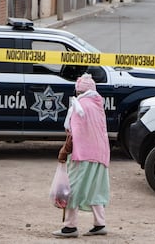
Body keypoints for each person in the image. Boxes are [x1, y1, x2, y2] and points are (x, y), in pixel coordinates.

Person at [53, 73, 110, 238]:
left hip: (82, 154)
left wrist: (64, 151)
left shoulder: (79, 106)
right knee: (95, 188)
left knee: (71, 189)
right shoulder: (98, 105)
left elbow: (73, 132)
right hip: (101, 154)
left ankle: (70, 227)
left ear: (78, 91)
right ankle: (100, 224)